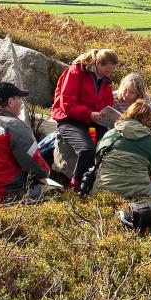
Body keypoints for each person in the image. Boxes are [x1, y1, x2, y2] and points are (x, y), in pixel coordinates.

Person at [50, 48, 117, 192]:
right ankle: (76, 186)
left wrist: (104, 114)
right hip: (70, 120)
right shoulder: (76, 71)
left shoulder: (105, 80)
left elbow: (107, 102)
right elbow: (67, 104)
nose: (110, 75)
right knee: (87, 150)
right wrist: (90, 114)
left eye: (111, 72)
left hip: (92, 122)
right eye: (108, 71)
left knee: (106, 148)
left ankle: (94, 183)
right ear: (98, 63)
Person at [0, 82, 51, 202]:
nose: (22, 102)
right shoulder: (14, 125)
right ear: (10, 102)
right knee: (53, 191)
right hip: (6, 193)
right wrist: (46, 174)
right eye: (20, 98)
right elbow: (32, 160)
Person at [91, 99, 151, 199]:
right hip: (138, 197)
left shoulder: (110, 135)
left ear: (128, 113)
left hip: (102, 193)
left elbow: (97, 160)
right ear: (148, 120)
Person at [112, 73, 151, 143]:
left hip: (140, 132)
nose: (126, 94)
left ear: (138, 94)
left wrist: (150, 134)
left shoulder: (145, 99)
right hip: (118, 133)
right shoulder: (113, 97)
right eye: (125, 90)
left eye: (131, 92)